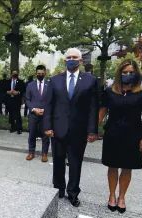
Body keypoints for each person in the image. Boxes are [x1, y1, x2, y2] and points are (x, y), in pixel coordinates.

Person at [43, 48, 99, 207]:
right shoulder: (55, 80)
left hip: (79, 130)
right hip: (58, 128)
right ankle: (58, 190)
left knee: (75, 163)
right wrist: (47, 126)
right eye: (68, 57)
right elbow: (49, 104)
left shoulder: (90, 80)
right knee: (58, 162)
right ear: (65, 60)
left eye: (75, 57)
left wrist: (92, 130)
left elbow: (93, 107)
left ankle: (73, 193)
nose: (71, 59)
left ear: (81, 61)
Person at [99, 60, 142, 213]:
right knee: (113, 165)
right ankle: (111, 195)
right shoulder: (109, 92)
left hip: (133, 135)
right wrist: (91, 131)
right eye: (125, 72)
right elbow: (102, 113)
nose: (128, 75)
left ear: (136, 74)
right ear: (119, 74)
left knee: (127, 167)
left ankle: (122, 197)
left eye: (131, 72)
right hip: (113, 134)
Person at [25, 65, 50, 162]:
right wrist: (33, 109)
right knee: (32, 133)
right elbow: (27, 99)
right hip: (33, 114)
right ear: (36, 74)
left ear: (45, 73)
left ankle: (44, 154)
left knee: (45, 135)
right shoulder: (30, 85)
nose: (40, 75)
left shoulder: (49, 84)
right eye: (39, 74)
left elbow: (51, 99)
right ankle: (31, 152)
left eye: (42, 74)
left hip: (45, 114)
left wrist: (46, 110)